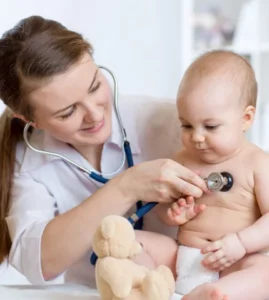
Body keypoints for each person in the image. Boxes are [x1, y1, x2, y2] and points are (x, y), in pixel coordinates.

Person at [0, 15, 209, 287]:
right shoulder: (29, 160)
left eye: (95, 86)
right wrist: (125, 188)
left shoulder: (172, 123)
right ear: (30, 121)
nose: (94, 113)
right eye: (68, 112)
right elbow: (40, 262)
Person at [148, 50, 269, 300]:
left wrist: (241, 244)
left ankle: (218, 294)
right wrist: (171, 214)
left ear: (245, 119)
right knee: (136, 241)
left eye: (210, 127)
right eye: (187, 125)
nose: (197, 137)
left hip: (234, 263)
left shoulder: (257, 162)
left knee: (264, 273)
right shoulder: (180, 160)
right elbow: (161, 207)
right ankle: (145, 286)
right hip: (183, 257)